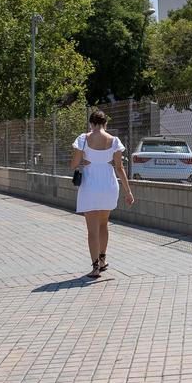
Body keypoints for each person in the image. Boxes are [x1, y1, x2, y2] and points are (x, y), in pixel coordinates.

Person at [69, 110, 134, 278]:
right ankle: (103, 259)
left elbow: (74, 164)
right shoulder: (114, 141)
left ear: (91, 123)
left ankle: (95, 266)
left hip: (90, 185)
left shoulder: (83, 139)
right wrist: (128, 191)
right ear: (105, 123)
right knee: (104, 224)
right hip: (109, 185)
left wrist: (85, 159)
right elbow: (119, 168)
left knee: (92, 230)